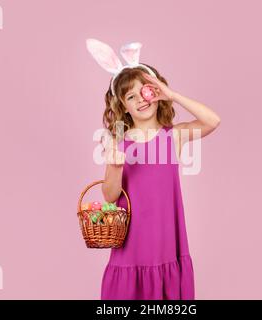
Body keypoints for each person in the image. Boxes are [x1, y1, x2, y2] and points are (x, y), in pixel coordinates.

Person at [86, 39, 221, 300]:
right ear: (123, 106)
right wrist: (114, 165)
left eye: (144, 91)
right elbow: (110, 195)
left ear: (156, 92)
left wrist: (172, 95)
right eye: (130, 96)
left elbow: (212, 120)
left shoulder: (173, 136)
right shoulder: (118, 141)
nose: (140, 100)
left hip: (166, 246)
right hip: (130, 249)